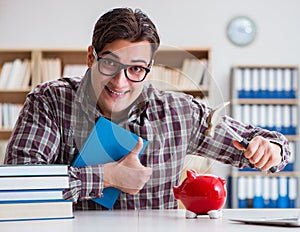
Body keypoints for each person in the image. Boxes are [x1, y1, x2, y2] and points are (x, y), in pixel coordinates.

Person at [5, 8, 290, 210]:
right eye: (109, 63)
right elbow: (18, 188)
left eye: (136, 69)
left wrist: (269, 149)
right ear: (91, 57)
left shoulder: (179, 113)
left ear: (149, 69)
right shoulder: (51, 102)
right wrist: (107, 176)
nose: (120, 81)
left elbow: (273, 148)